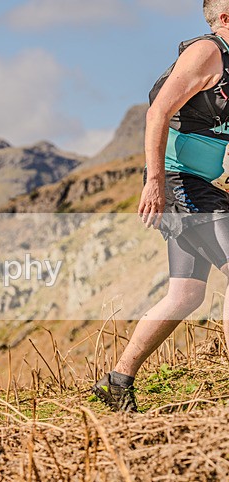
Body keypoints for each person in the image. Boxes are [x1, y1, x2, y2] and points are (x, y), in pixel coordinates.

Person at [93, 0, 229, 412]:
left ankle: (117, 381)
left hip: (199, 185)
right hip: (176, 182)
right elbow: (158, 113)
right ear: (225, 18)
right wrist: (154, 183)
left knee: (185, 296)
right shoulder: (207, 52)